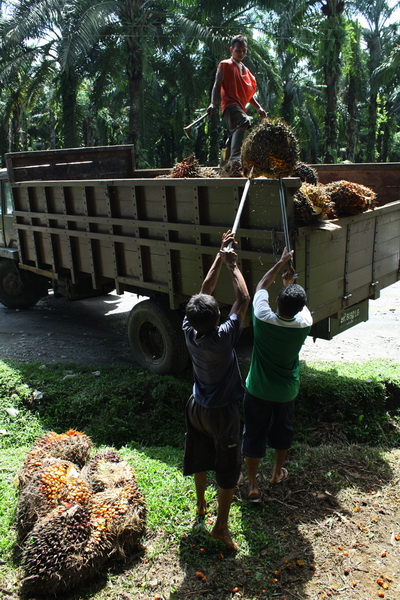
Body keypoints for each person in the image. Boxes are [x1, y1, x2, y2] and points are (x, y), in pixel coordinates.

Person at [182, 230, 250, 550]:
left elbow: (204, 292)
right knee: (227, 467)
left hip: (195, 406)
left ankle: (200, 506)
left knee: (199, 454)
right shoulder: (223, 337)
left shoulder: (188, 327)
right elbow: (243, 299)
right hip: (221, 413)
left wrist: (219, 256)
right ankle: (220, 528)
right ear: (217, 317)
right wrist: (233, 264)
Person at [242, 248, 313, 501]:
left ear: (276, 302)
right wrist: (291, 284)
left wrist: (281, 262)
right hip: (286, 392)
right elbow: (299, 304)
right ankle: (275, 473)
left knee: (253, 433)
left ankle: (252, 484)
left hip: (258, 390)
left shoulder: (262, 318)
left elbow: (262, 284)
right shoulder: (305, 323)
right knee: (283, 433)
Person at [207, 34, 266, 163]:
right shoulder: (225, 65)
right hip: (230, 104)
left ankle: (225, 163)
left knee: (234, 133)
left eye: (244, 51)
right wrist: (212, 103)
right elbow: (217, 84)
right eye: (238, 50)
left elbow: (249, 95)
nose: (241, 53)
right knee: (244, 122)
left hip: (240, 107)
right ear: (231, 50)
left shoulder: (247, 72)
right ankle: (235, 158)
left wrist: (259, 108)